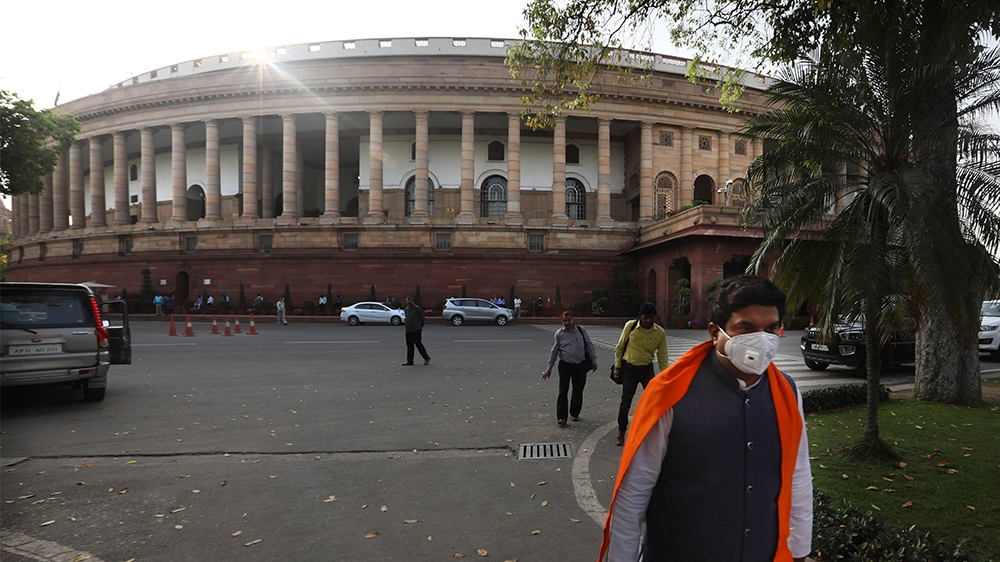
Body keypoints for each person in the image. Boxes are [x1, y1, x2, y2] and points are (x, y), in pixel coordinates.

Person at [599, 275, 813, 562]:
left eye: (770, 329)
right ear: (715, 333)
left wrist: (799, 552)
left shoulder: (787, 393)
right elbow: (633, 495)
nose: (761, 340)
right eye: (746, 329)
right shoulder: (670, 394)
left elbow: (798, 476)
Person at [612, 302, 669, 446]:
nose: (648, 321)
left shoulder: (659, 332)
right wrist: (618, 367)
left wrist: (666, 375)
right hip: (629, 369)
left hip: (647, 370)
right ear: (640, 317)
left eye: (651, 318)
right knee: (626, 402)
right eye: (645, 318)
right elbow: (619, 347)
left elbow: (662, 355)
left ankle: (653, 432)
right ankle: (621, 433)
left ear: (655, 318)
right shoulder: (630, 327)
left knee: (654, 401)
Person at [542, 311, 597, 425]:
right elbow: (554, 351)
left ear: (573, 319)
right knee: (563, 391)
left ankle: (575, 413)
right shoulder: (559, 334)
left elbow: (589, 345)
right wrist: (549, 368)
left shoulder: (581, 331)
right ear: (561, 322)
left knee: (578, 390)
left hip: (580, 365)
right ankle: (562, 417)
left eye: (568, 320)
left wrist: (593, 360)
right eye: (564, 321)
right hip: (565, 365)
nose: (567, 323)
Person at [402, 296, 430, 366]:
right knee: (409, 346)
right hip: (408, 330)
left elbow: (422, 318)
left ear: (412, 301)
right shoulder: (406, 309)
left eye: (410, 300)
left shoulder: (417, 309)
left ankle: (426, 358)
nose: (408, 302)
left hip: (416, 329)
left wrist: (420, 326)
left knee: (418, 344)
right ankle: (410, 361)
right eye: (407, 301)